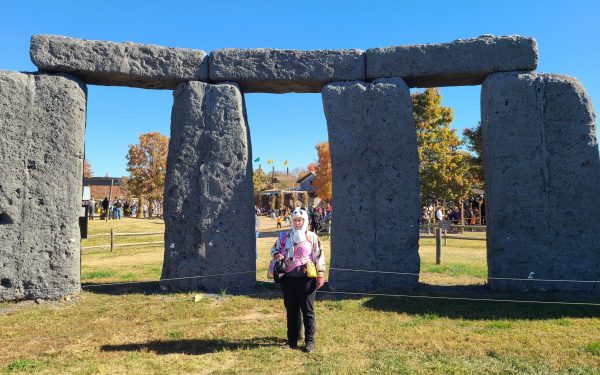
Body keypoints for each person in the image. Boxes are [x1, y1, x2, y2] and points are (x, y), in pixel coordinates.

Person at [271, 208, 326, 352]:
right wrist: (277, 255)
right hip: (288, 280)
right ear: (292, 221)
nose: (297, 223)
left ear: (305, 221)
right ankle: (292, 340)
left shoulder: (312, 237)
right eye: (295, 220)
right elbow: (274, 249)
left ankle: (310, 341)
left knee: (308, 310)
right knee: (291, 310)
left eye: (300, 220)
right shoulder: (284, 236)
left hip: (306, 279)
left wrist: (320, 274)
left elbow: (319, 255)